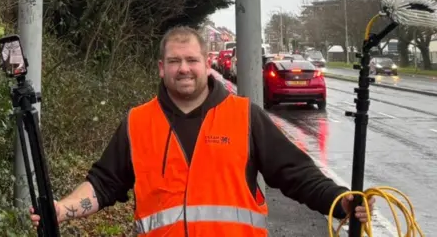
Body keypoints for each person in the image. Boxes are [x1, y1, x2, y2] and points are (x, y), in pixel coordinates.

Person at [30, 26, 375, 236]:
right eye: (174, 61)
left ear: (207, 64)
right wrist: (62, 209)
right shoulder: (138, 122)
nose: (184, 69)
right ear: (161, 68)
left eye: (192, 60)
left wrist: (339, 200)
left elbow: (296, 174)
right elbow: (104, 182)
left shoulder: (245, 116)